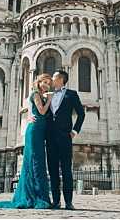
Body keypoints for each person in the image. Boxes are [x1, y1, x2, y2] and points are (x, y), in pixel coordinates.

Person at [0, 74, 53, 209]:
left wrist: (35, 113)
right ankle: (35, 196)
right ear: (38, 82)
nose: (46, 85)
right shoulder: (36, 94)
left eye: (48, 83)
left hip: (40, 131)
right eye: (44, 82)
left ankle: (38, 194)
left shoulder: (42, 96)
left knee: (37, 162)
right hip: (35, 131)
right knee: (35, 161)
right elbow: (42, 112)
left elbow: (37, 112)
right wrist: (49, 100)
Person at [45, 70, 85, 210]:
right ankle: (56, 201)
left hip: (65, 137)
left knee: (67, 170)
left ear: (61, 79)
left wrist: (75, 131)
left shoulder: (71, 94)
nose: (51, 80)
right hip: (50, 138)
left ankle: (68, 201)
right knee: (53, 170)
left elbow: (81, 113)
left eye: (54, 77)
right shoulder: (47, 95)